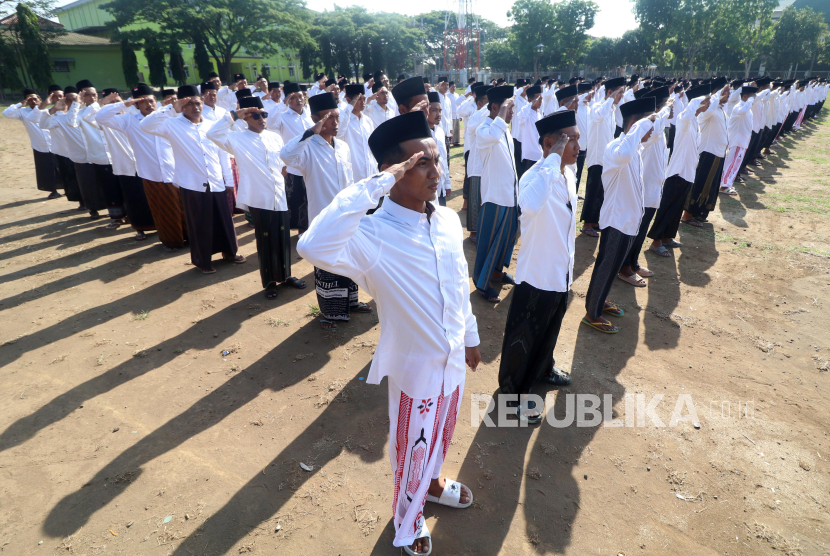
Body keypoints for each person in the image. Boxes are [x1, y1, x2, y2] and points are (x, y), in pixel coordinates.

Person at [297, 110, 480, 556]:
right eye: (422, 163)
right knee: (412, 447)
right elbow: (312, 246)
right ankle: (408, 519)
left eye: (437, 160)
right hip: (414, 366)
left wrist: (471, 334)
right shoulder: (370, 235)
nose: (436, 172)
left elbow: (458, 285)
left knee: (441, 432)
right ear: (392, 171)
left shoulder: (447, 221)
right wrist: (376, 186)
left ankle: (433, 485)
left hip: (453, 356)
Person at [499, 110, 578, 424]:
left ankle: (544, 369)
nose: (577, 145)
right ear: (550, 142)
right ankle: (510, 396)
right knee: (523, 338)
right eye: (571, 139)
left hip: (560, 273)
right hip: (537, 276)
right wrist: (551, 160)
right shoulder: (534, 176)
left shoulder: (568, 174)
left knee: (550, 330)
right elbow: (530, 205)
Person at [280, 92, 373, 329]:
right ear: (315, 119)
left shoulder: (342, 147)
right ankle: (331, 313)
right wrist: (312, 131)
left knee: (349, 261)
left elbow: (350, 182)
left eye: (337, 117)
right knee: (327, 266)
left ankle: (351, 302)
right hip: (324, 220)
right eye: (328, 117)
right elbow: (286, 155)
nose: (335, 122)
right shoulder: (307, 149)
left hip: (347, 217)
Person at [207, 95, 307, 298]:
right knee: (266, 240)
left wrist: (281, 173)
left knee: (283, 237)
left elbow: (282, 163)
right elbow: (212, 133)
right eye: (255, 115)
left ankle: (286, 275)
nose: (261, 118)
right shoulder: (236, 139)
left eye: (263, 114)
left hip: (278, 194)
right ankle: (270, 281)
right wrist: (234, 115)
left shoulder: (274, 136)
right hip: (258, 197)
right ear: (245, 117)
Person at [140, 84, 245, 272]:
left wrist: (228, 181)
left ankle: (230, 252)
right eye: (189, 104)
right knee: (200, 225)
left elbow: (223, 155)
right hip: (193, 184)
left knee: (225, 221)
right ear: (181, 106)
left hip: (217, 182)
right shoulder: (171, 125)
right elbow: (145, 125)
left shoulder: (212, 126)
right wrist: (172, 108)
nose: (195, 107)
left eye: (197, 103)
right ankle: (203, 261)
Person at [582, 97, 656, 334]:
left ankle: (600, 300)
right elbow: (624, 155)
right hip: (616, 221)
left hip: (628, 221)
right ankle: (591, 314)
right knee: (605, 267)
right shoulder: (616, 147)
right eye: (646, 125)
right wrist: (640, 127)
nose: (650, 130)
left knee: (613, 268)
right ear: (635, 124)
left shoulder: (634, 147)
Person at [95, 83, 176, 244]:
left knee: (175, 206)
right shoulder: (128, 120)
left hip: (172, 170)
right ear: (137, 104)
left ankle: (179, 235)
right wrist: (123, 103)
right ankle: (153, 232)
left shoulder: (165, 115)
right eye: (144, 101)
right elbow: (100, 117)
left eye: (151, 100)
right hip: (145, 170)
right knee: (145, 202)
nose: (149, 104)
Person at [646, 84, 710, 256]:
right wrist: (698, 100)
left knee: (677, 207)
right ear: (697, 104)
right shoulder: (685, 118)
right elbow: (689, 111)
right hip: (678, 171)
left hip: (688, 171)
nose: (708, 104)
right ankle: (656, 241)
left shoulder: (695, 121)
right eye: (706, 102)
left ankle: (667, 237)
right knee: (667, 206)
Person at [616, 86, 672, 285]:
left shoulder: (655, 128)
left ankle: (633, 262)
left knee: (640, 230)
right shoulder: (648, 131)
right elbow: (654, 132)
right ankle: (625, 267)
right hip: (644, 188)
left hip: (654, 184)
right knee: (636, 231)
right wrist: (661, 113)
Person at [473, 85, 519, 303]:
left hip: (510, 194)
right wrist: (502, 113)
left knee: (506, 238)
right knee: (488, 241)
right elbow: (490, 136)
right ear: (494, 107)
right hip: (494, 196)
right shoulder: (484, 130)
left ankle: (497, 272)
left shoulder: (504, 130)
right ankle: (482, 282)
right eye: (509, 107)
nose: (512, 112)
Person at [71, 80, 128, 228]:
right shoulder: (82, 113)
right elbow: (72, 122)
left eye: (94, 94)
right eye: (87, 95)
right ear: (81, 97)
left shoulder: (116, 112)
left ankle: (130, 214)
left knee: (126, 187)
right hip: (101, 158)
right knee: (110, 188)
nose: (92, 98)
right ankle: (116, 217)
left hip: (121, 156)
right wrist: (79, 103)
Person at [82, 88, 136, 230]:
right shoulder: (104, 122)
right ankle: (117, 217)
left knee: (132, 193)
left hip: (137, 165)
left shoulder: (132, 117)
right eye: (110, 105)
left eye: (117, 103)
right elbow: (87, 117)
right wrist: (101, 102)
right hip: (114, 162)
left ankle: (134, 218)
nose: (115, 107)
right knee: (112, 190)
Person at [581, 76, 625, 237]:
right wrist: (610, 99)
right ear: (610, 92)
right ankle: (587, 224)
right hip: (597, 157)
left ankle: (594, 221)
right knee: (593, 190)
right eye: (620, 92)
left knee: (602, 190)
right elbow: (599, 116)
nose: (622, 96)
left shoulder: (611, 109)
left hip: (606, 157)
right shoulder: (598, 106)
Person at [267, 81, 313, 231]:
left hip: (313, 162)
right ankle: (301, 231)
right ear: (288, 100)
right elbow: (270, 123)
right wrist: (283, 104)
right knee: (299, 201)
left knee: (313, 198)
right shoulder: (283, 116)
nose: (298, 100)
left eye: (300, 96)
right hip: (294, 166)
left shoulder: (310, 115)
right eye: (293, 97)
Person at [682, 79, 729, 226]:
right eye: (726, 91)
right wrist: (717, 96)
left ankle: (700, 213)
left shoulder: (720, 109)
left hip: (718, 153)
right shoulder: (709, 111)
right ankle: (688, 215)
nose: (729, 94)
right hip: (708, 152)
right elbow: (707, 113)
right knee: (701, 183)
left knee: (710, 185)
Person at [3, 87, 61, 199]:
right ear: (26, 101)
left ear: (40, 99)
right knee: (45, 169)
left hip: (55, 144)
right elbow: (6, 113)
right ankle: (53, 191)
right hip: (39, 146)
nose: (33, 101)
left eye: (35, 99)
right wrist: (20, 104)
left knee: (61, 167)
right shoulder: (22, 113)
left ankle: (67, 189)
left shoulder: (49, 110)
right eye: (29, 99)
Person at [460, 85, 491, 242]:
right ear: (480, 103)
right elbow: (472, 126)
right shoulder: (475, 118)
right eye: (488, 101)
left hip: (490, 165)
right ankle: (473, 232)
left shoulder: (490, 118)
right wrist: (491, 107)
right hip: (477, 166)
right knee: (475, 199)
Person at [719, 85, 757, 195]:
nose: (753, 100)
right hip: (736, 141)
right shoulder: (739, 107)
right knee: (730, 164)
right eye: (751, 97)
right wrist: (750, 100)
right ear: (745, 96)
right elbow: (743, 111)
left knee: (735, 165)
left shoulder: (746, 108)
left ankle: (726, 184)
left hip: (742, 141)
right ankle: (724, 186)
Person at [338, 84, 378, 182]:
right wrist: (350, 106)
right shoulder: (343, 120)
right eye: (359, 99)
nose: (363, 102)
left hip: (370, 170)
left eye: (364, 99)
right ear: (348, 100)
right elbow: (338, 134)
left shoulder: (367, 121)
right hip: (354, 173)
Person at [426, 91, 452, 206]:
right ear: (426, 111)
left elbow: (444, 160)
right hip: (427, 188)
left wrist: (447, 184)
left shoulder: (440, 131)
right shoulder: (421, 134)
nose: (438, 114)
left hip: (440, 185)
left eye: (440, 110)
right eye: (434, 110)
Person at [517, 85, 544, 175]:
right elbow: (521, 115)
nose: (540, 101)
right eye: (538, 98)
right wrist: (533, 102)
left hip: (540, 154)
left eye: (541, 98)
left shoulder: (539, 113)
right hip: (530, 155)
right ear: (530, 100)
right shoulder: (526, 114)